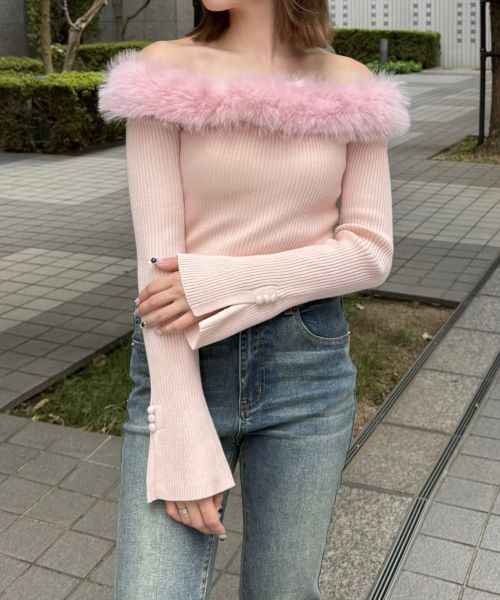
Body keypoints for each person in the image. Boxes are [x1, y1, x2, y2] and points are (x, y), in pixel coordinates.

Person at [97, 1, 411, 598]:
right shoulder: (164, 70)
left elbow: (370, 252)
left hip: (308, 371)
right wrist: (180, 425)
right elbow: (159, 279)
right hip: (182, 359)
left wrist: (217, 282)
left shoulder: (349, 85)